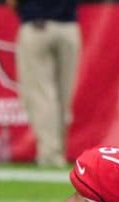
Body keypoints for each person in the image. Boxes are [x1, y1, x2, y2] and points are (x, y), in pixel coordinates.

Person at [6, 0, 80, 166]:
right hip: (69, 27)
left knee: (42, 95)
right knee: (64, 96)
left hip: (37, 25)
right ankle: (58, 151)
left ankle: (50, 155)